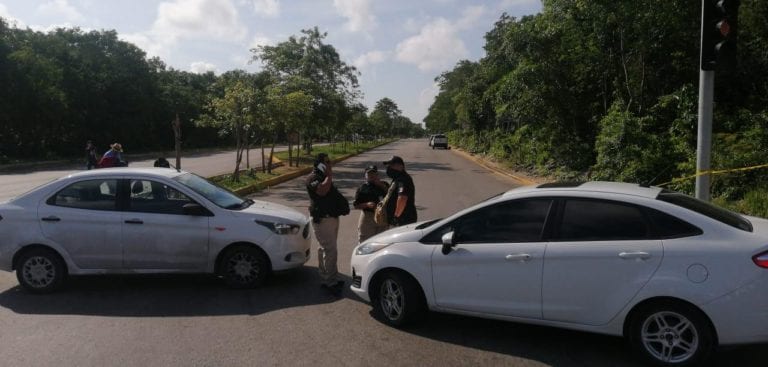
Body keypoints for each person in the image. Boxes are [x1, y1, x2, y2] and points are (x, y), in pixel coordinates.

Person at [306, 153, 349, 296]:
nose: (330, 164)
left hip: (331, 218)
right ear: (320, 164)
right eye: (327, 162)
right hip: (323, 220)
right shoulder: (313, 178)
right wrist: (329, 175)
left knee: (325, 249)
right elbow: (322, 191)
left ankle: (329, 277)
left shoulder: (323, 177)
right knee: (330, 250)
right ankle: (330, 282)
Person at [353, 165, 389, 243]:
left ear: (377, 174)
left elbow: (391, 196)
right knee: (365, 241)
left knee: (382, 241)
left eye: (373, 173)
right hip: (368, 216)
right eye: (369, 174)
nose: (372, 176)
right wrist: (366, 204)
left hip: (382, 215)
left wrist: (381, 185)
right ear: (365, 176)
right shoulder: (362, 188)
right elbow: (356, 205)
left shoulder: (384, 184)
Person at [383, 155, 417, 227]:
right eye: (388, 166)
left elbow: (402, 198)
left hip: (403, 219)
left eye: (391, 165)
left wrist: (396, 217)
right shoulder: (398, 178)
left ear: (401, 166)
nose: (389, 168)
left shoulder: (403, 180)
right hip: (400, 219)